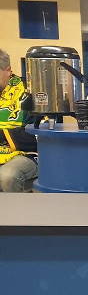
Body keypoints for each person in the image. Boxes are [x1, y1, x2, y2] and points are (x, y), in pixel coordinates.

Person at [0, 49, 38, 192]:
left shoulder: (30, 92)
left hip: (25, 155)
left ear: (8, 70)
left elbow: (37, 137)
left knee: (7, 176)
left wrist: (3, 135)